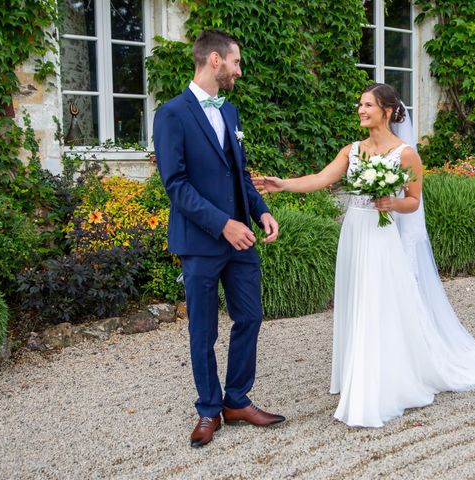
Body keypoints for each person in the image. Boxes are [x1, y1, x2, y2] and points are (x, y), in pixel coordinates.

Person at [254, 83, 475, 428]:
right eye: (359, 104)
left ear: (387, 111)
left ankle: (382, 380)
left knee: (378, 302)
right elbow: (321, 178)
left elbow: (414, 201)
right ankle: (358, 371)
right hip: (354, 232)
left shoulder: (406, 154)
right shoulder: (351, 150)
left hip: (382, 235)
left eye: (367, 105)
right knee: (357, 298)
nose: (360, 109)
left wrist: (391, 203)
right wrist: (282, 183)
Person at [153, 29, 285, 447]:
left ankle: (237, 400)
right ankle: (209, 409)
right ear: (214, 60)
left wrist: (260, 210)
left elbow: (238, 173)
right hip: (202, 242)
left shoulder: (230, 113)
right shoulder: (171, 114)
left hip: (241, 240)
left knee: (250, 318)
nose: (238, 71)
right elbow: (176, 184)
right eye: (236, 62)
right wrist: (222, 223)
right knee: (203, 332)